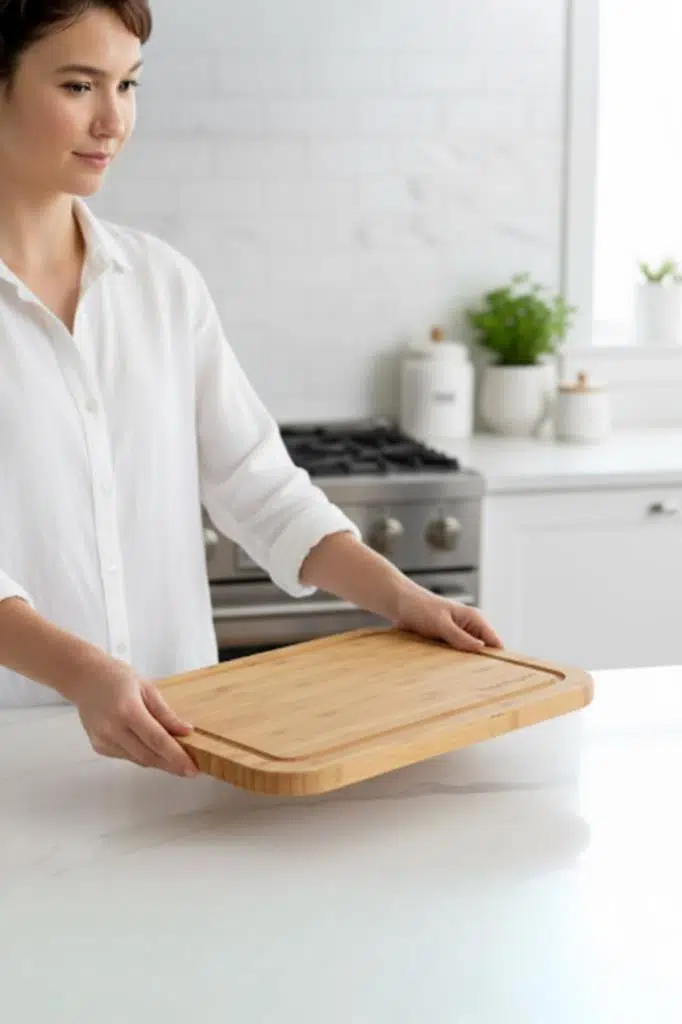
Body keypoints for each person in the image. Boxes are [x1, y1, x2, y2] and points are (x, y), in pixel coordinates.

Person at [0, 0, 502, 778]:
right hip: (18, 758)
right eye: (78, 86)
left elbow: (259, 485)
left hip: (182, 744)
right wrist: (84, 674)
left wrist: (403, 598)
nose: (113, 121)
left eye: (128, 85)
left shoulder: (161, 285)